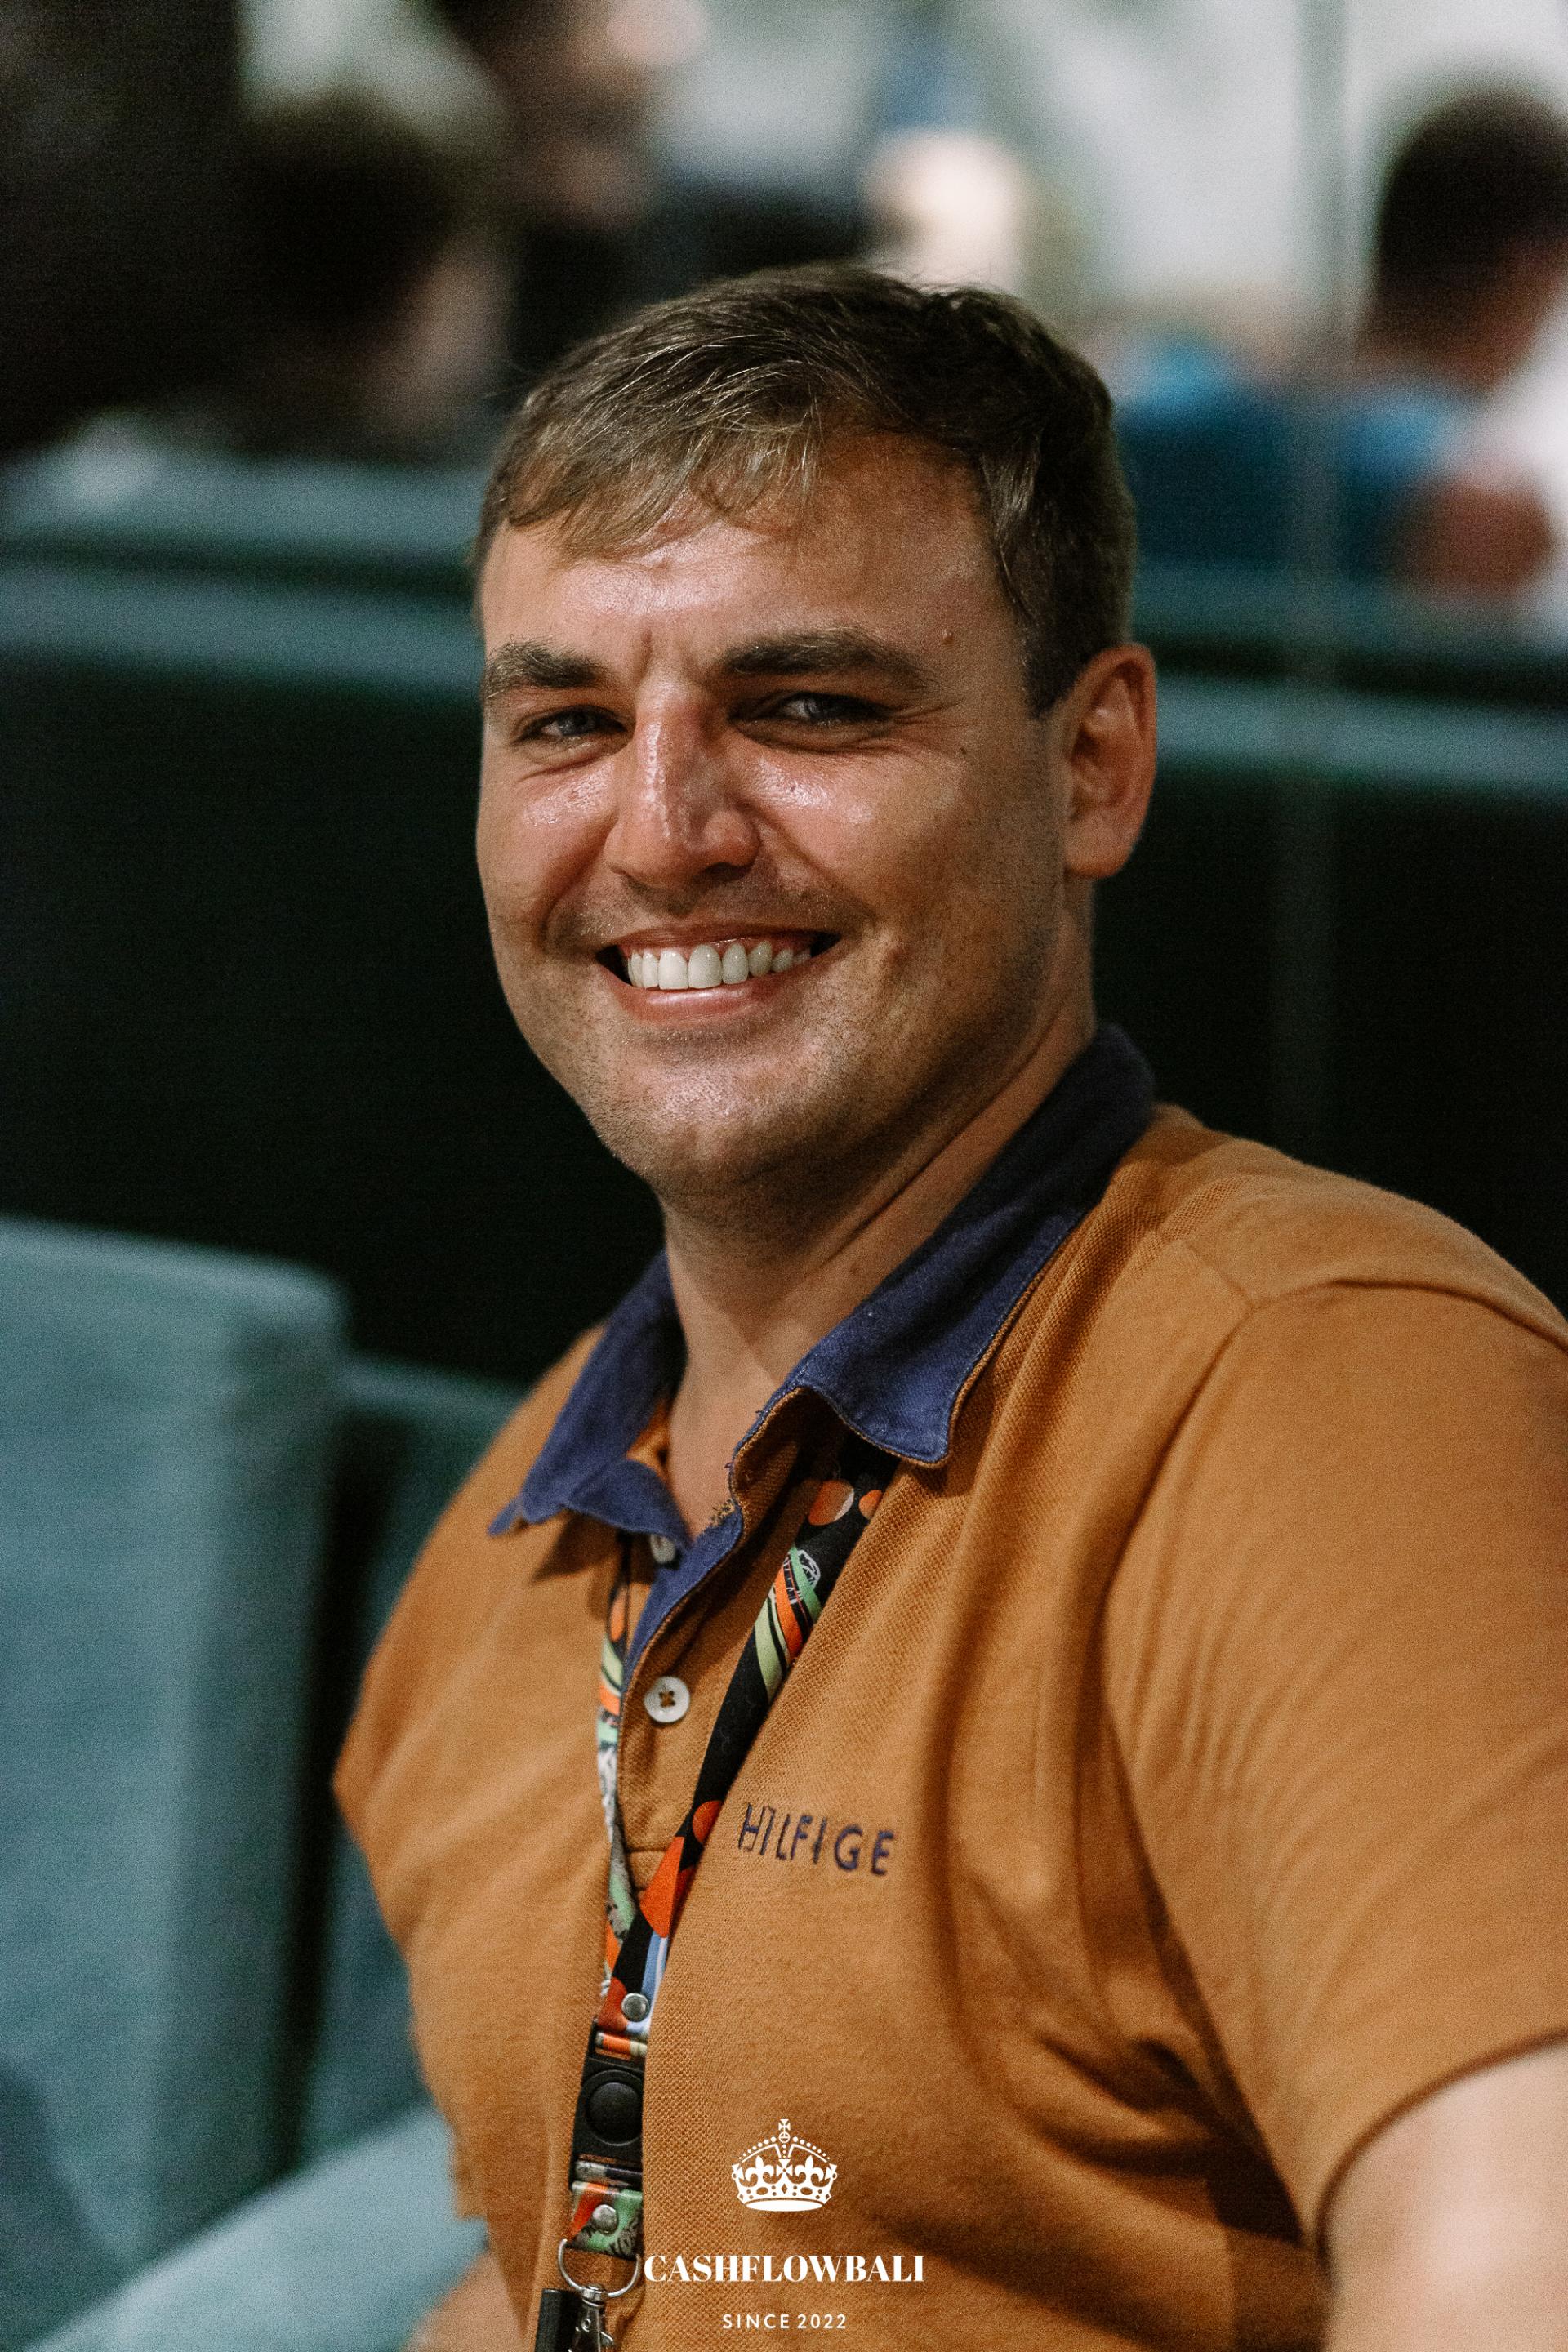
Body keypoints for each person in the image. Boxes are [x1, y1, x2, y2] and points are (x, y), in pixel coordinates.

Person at [336, 266, 1568, 2350]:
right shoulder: (511, 1539)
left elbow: (1512, 2268)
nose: (661, 829)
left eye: (809, 708)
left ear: (1093, 766)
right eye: (565, 723)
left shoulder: (1334, 1402)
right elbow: (568, 2261)